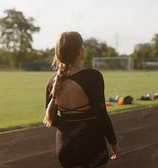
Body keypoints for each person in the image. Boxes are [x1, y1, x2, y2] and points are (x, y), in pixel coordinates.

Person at [44, 31, 120, 168]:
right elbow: (101, 114)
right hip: (91, 141)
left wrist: (69, 124)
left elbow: (52, 118)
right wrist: (113, 142)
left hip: (64, 145)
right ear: (80, 50)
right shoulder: (93, 76)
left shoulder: (52, 81)